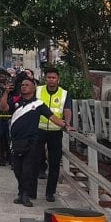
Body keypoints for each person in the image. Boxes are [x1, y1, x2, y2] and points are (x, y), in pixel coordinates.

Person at [0, 76, 74, 207]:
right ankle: (21, 191)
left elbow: (53, 117)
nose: (24, 87)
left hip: (31, 141)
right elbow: (3, 108)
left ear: (33, 88)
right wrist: (5, 92)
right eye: (22, 85)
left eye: (27, 85)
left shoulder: (39, 104)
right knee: (17, 169)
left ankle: (26, 195)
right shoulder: (15, 100)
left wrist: (66, 125)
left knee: (27, 169)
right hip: (16, 141)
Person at [36, 67, 73, 202]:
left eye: (53, 77)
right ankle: (31, 190)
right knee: (34, 159)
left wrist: (67, 124)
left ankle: (50, 192)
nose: (51, 80)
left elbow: (67, 109)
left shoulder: (64, 93)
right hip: (38, 130)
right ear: (45, 79)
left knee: (55, 163)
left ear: (58, 79)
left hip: (55, 132)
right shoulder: (38, 90)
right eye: (49, 77)